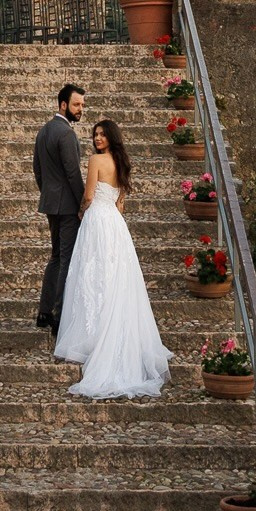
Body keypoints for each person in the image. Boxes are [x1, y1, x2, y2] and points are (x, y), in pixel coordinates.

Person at [54, 117, 172, 400]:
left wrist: (82, 212)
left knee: (92, 275)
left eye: (102, 135)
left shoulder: (96, 160)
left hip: (97, 220)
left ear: (110, 138)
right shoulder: (122, 162)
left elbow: (89, 194)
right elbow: (121, 202)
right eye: (95, 135)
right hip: (116, 225)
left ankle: (92, 333)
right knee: (114, 276)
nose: (97, 139)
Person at [34, 82, 86, 332]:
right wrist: (83, 204)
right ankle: (58, 316)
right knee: (66, 259)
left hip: (51, 204)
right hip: (67, 207)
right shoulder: (66, 133)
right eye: (76, 104)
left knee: (55, 257)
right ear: (63, 105)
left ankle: (44, 312)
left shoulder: (44, 130)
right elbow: (73, 173)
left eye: (82, 105)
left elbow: (38, 170)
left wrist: (48, 194)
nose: (80, 109)